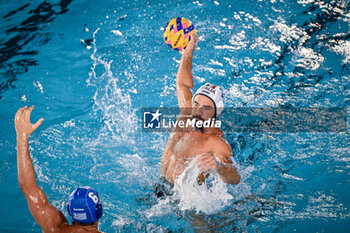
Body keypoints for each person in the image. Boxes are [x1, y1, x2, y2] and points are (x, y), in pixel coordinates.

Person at [160, 35, 240, 191]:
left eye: (206, 108)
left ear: (215, 114)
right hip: (161, 184)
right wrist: (188, 52)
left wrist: (217, 167)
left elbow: (235, 177)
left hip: (185, 199)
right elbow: (183, 84)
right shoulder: (187, 113)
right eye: (196, 104)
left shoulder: (216, 141)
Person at [15, 106, 103, 233]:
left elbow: (28, 188)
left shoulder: (54, 229)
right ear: (99, 211)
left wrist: (22, 136)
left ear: (70, 211)